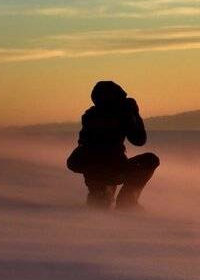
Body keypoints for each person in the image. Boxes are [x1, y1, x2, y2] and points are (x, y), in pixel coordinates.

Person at [65, 80, 159, 210]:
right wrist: (135, 114)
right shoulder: (120, 114)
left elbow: (81, 149)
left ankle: (101, 195)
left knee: (100, 204)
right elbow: (139, 140)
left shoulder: (90, 115)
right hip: (111, 168)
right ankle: (127, 200)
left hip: (96, 170)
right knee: (151, 160)